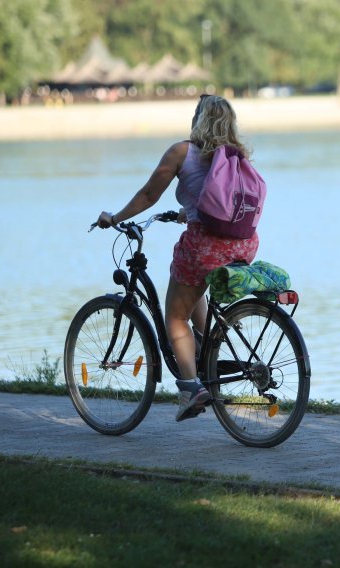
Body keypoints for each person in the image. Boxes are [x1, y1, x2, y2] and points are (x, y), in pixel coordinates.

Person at [95, 95, 259, 421]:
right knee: (192, 290)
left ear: (198, 119)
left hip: (203, 248)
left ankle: (190, 388)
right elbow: (222, 200)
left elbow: (148, 195)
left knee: (174, 317)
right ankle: (206, 356)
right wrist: (190, 211)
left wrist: (114, 218)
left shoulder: (182, 152)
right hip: (243, 245)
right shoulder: (237, 157)